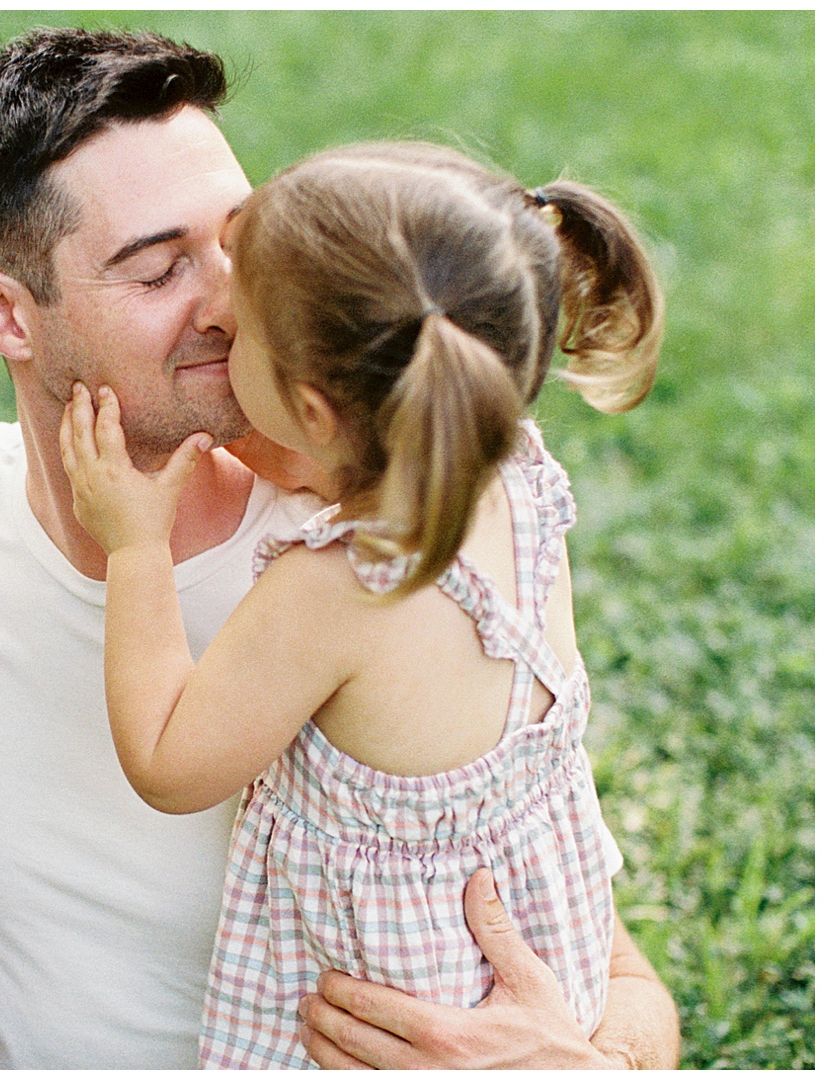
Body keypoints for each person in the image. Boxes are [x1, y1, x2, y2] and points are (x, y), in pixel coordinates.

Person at [0, 27, 679, 1068]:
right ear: (1, 314)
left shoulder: (375, 555)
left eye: (241, 245)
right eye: (159, 270)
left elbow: (599, 959)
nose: (223, 301)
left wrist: (596, 1065)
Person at [60, 139, 661, 1068]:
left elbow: (170, 763)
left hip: (399, 1019)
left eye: (243, 322)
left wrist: (134, 544)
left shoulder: (335, 585)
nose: (215, 311)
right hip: (544, 984)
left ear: (317, 410)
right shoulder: (515, 480)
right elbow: (337, 459)